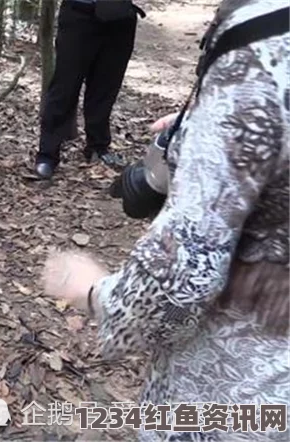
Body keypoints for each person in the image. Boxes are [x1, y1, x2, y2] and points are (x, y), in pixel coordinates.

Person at [40, 1, 288, 440]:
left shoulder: (256, 55)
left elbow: (184, 277)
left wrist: (96, 293)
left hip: (244, 395)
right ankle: (49, 152)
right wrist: (205, 128)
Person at [34, 0, 144, 179]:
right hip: (79, 14)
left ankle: (98, 147)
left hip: (120, 17)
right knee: (64, 87)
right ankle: (47, 154)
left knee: (105, 88)